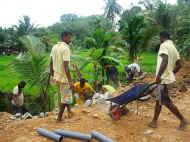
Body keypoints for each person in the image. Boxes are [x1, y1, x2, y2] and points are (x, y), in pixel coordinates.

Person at [149, 31, 188, 130]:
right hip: (166, 78)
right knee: (159, 100)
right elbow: (179, 65)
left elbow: (165, 60)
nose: (159, 40)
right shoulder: (174, 48)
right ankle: (154, 121)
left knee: (166, 101)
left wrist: (159, 76)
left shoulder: (164, 45)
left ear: (162, 37)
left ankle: (183, 120)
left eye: (159, 38)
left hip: (162, 79)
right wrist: (171, 73)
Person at [50, 31, 73, 121]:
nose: (70, 40)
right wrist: (70, 81)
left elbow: (51, 62)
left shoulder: (54, 47)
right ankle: (59, 117)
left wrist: (53, 75)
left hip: (57, 76)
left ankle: (70, 111)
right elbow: (66, 67)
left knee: (65, 95)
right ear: (64, 37)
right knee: (66, 98)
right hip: (64, 78)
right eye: (69, 37)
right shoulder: (66, 48)